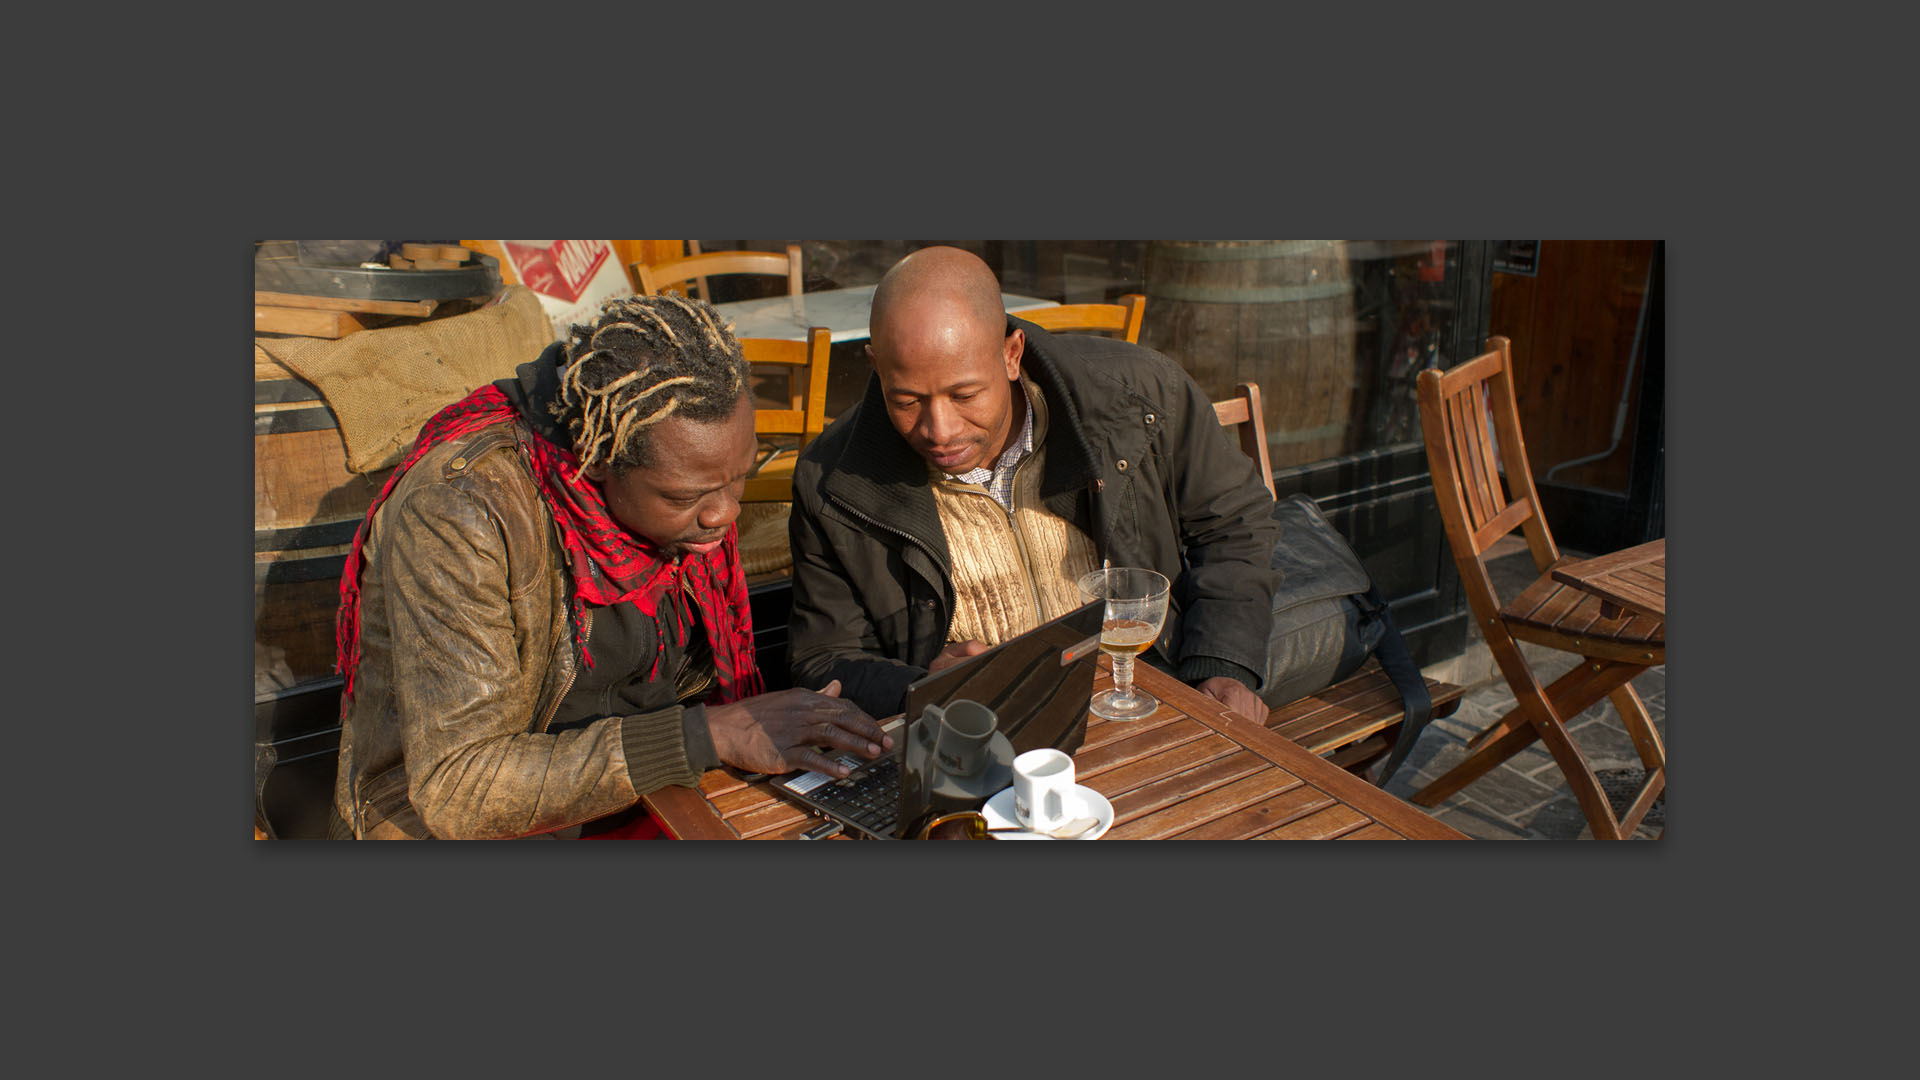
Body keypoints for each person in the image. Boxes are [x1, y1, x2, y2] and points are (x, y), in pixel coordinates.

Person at [330, 294, 891, 839]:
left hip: (636, 792)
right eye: (684, 496)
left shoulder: (680, 498)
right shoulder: (461, 515)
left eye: (738, 476)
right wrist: (704, 735)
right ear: (597, 460)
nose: (726, 513)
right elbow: (460, 789)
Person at [786, 246, 1284, 726]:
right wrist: (920, 685)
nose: (940, 430)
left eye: (965, 394)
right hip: (982, 738)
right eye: (907, 400)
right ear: (875, 366)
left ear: (1011, 354)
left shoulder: (1139, 396)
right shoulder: (832, 481)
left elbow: (1235, 525)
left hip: (1150, 696)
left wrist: (1222, 662)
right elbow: (824, 658)